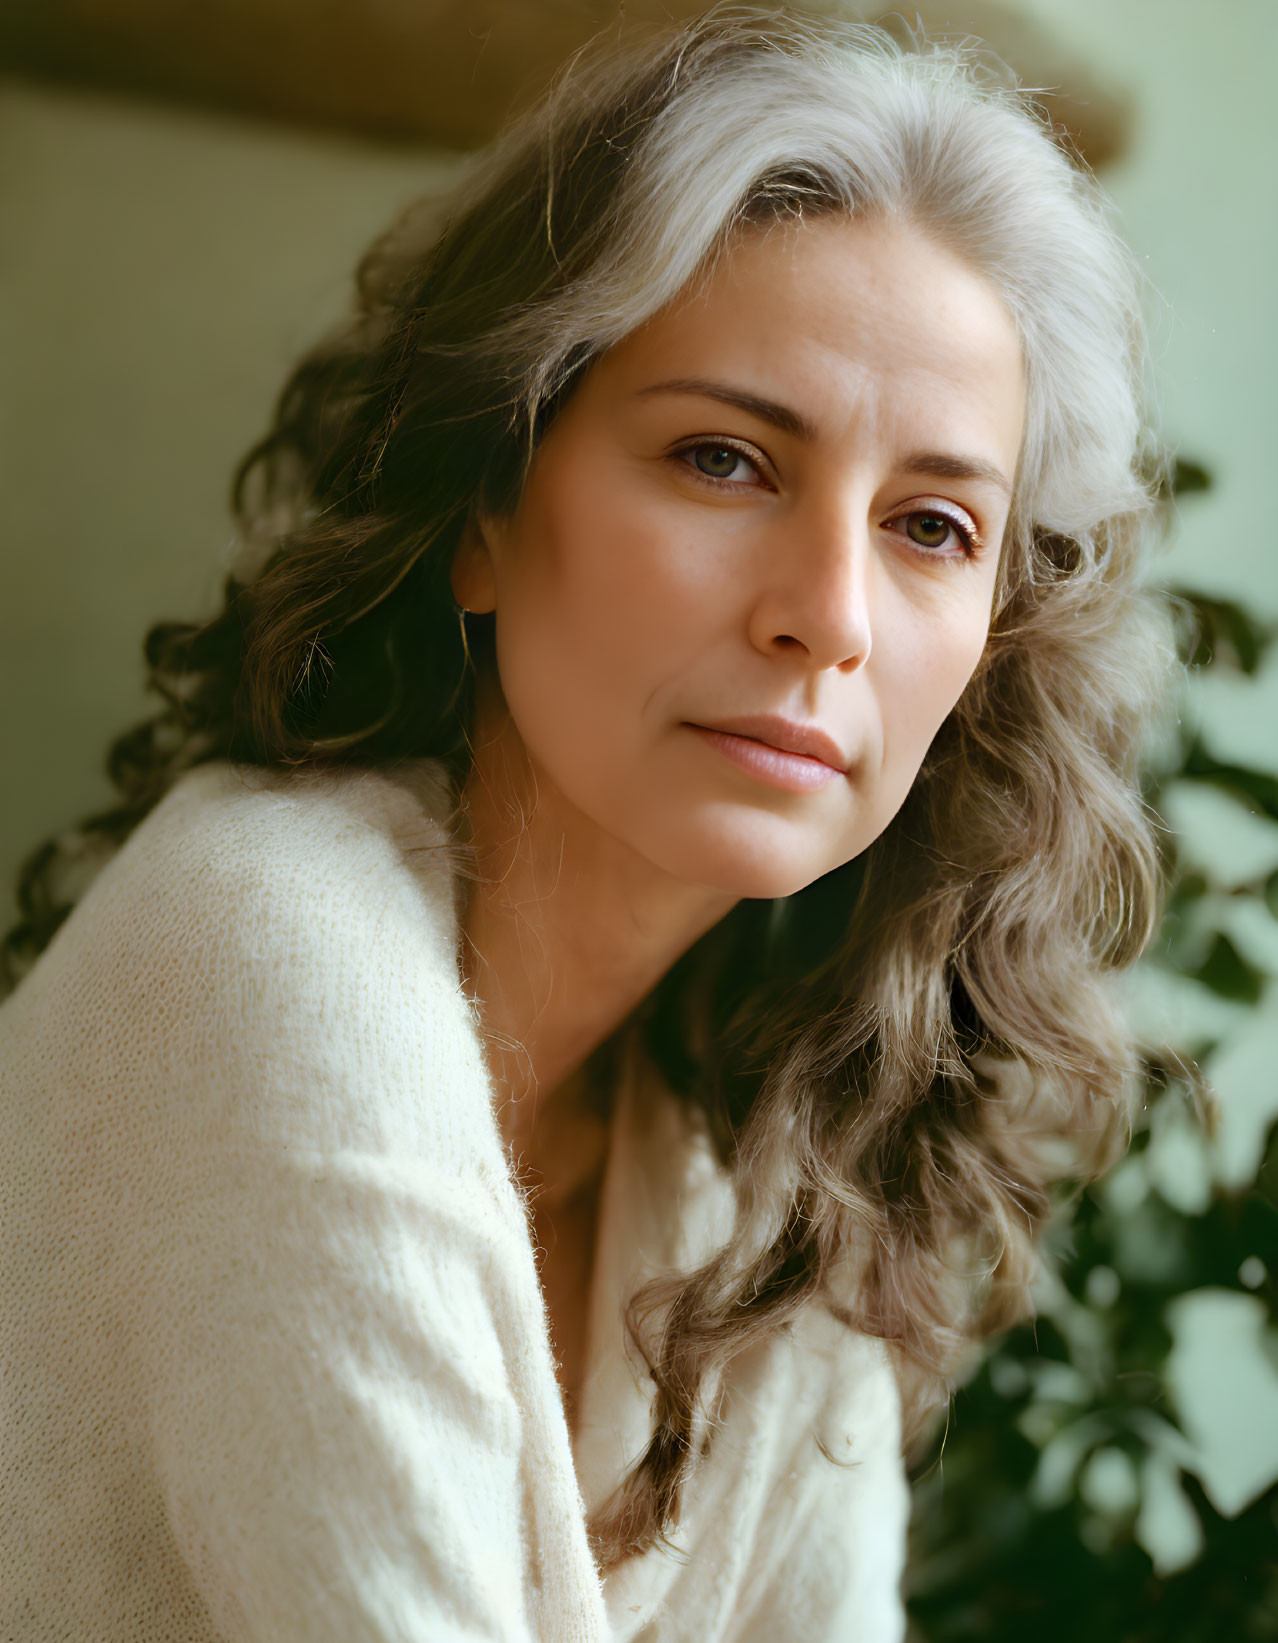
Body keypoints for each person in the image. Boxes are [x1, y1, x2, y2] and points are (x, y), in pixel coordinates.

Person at [0, 7, 1178, 1640]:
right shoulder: (272, 959)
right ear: (483, 504)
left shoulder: (774, 1122)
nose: (828, 615)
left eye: (929, 524)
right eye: (722, 458)